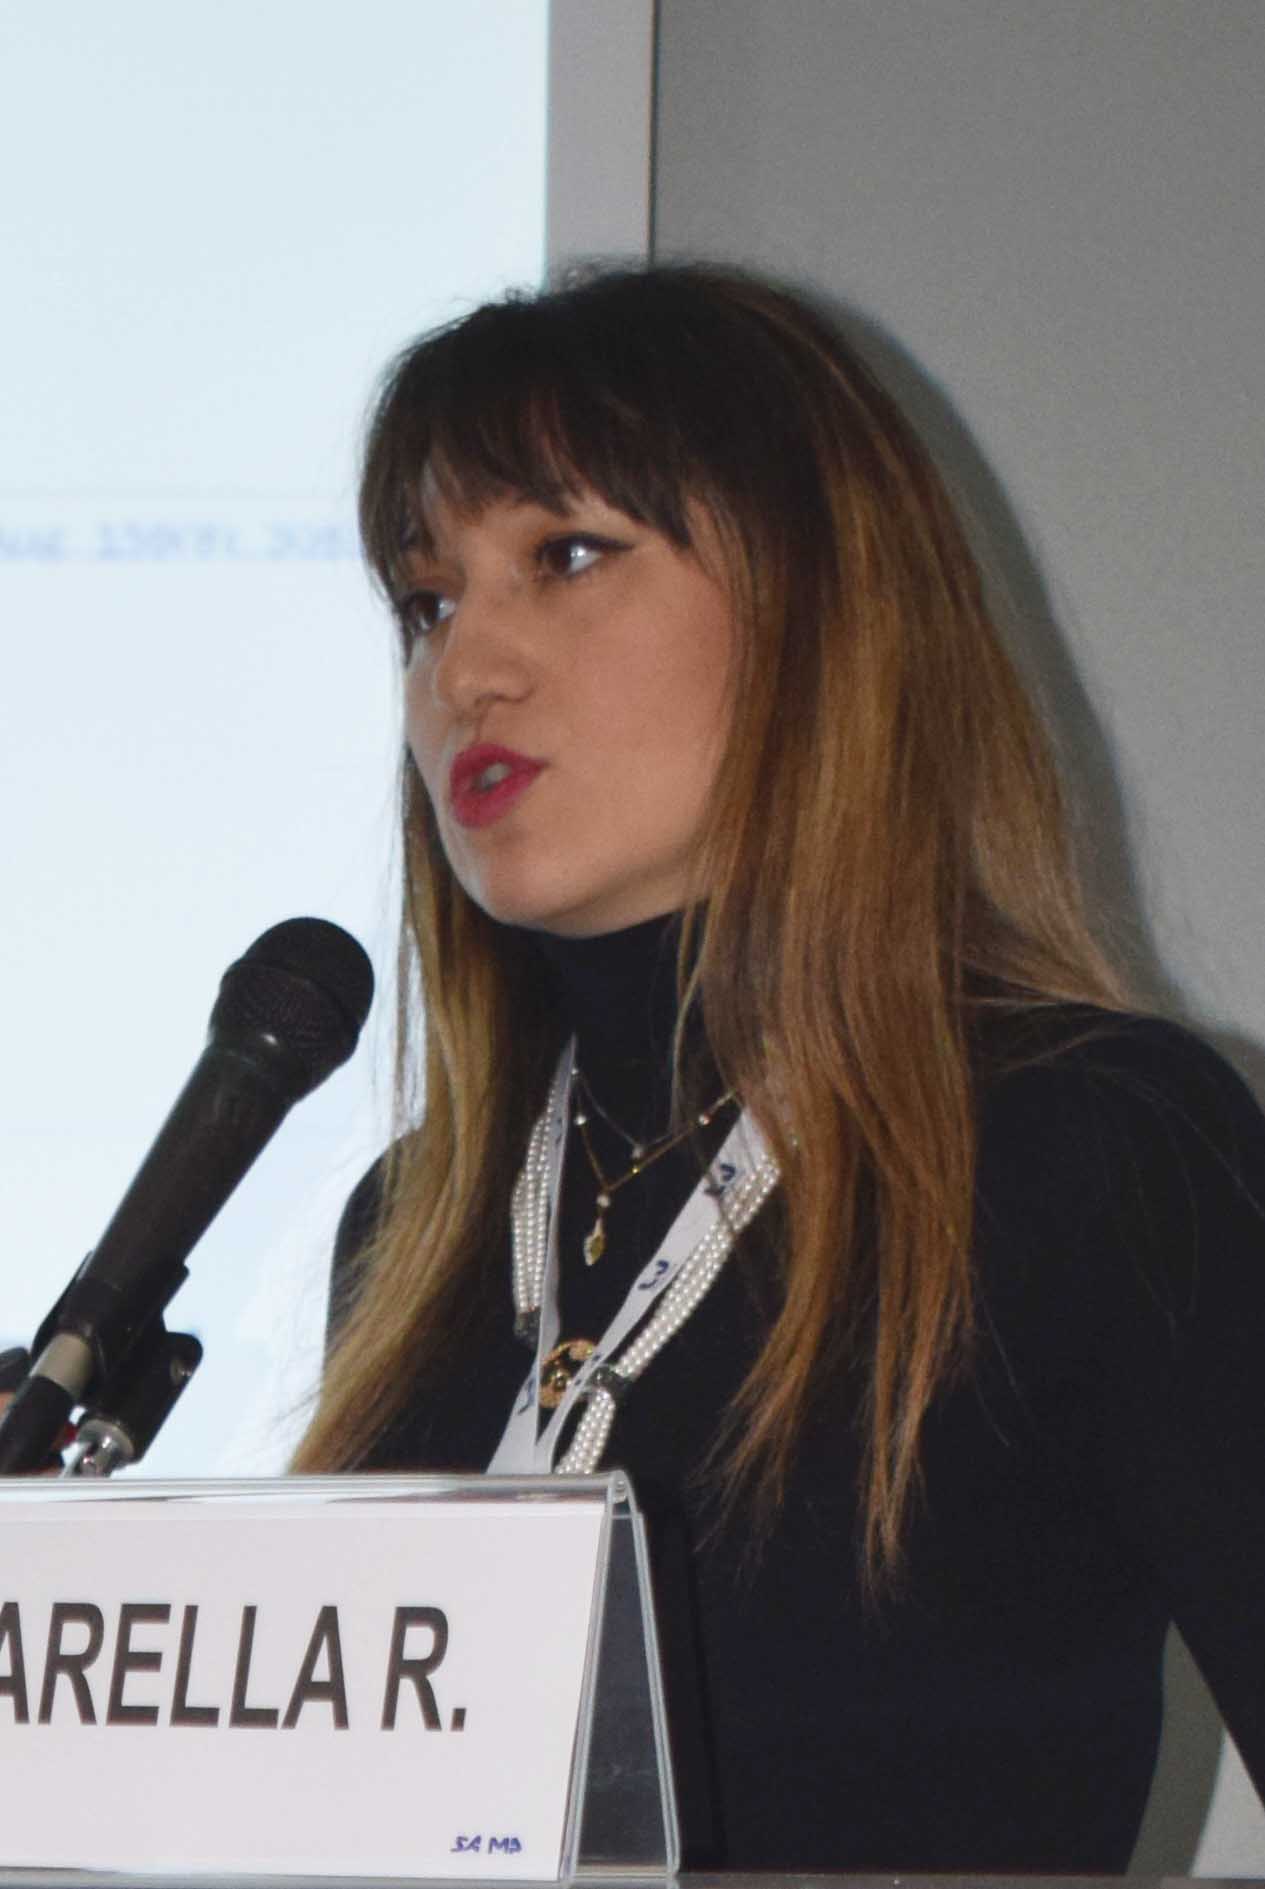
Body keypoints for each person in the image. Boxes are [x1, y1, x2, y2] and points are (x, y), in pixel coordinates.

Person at [293, 263, 1265, 1872]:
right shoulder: (412, 1235)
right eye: (427, 601)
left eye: (566, 555)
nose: (466, 669)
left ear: (820, 604)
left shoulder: (1096, 1151)